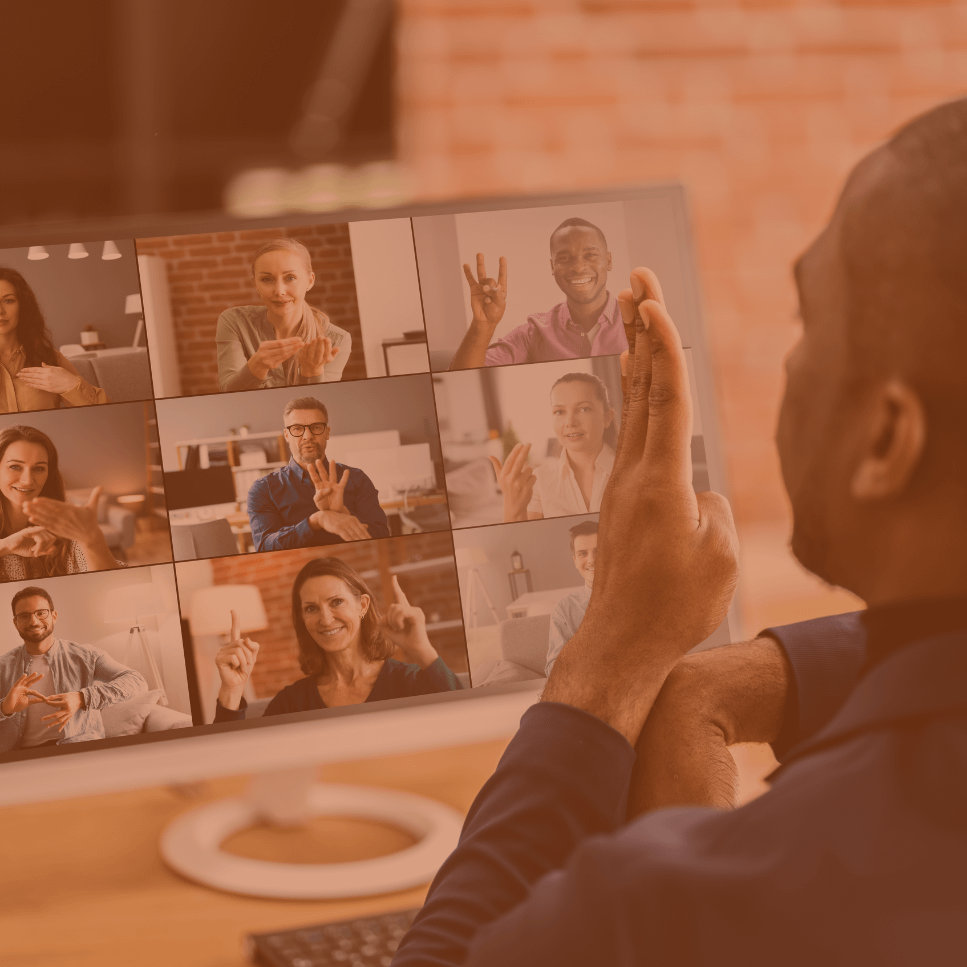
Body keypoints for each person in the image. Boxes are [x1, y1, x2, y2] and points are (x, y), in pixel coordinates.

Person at [394, 99, 967, 965]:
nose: (788, 359)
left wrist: (618, 650)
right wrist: (750, 679)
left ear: (885, 441)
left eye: (809, 323)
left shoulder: (707, 898)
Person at [211, 556, 462, 721]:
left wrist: (422, 650)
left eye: (337, 602)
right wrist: (232, 690)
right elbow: (237, 762)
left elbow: (466, 720)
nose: (326, 619)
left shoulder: (409, 683)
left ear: (362, 605)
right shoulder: (292, 703)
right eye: (311, 608)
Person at [448, 217, 628, 371]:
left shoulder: (641, 320)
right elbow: (463, 379)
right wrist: (482, 326)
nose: (579, 268)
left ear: (608, 261)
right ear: (552, 267)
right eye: (564, 258)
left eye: (590, 255)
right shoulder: (534, 334)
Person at [0, 585, 147, 751]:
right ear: (15, 622)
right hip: (23, 756)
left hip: (81, 749)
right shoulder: (3, 666)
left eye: (41, 613)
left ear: (54, 616)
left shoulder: (86, 655)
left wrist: (82, 698)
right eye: (24, 616)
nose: (33, 621)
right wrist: (4, 708)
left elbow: (137, 681)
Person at [246, 396, 391, 551]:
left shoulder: (356, 478)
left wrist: (343, 513)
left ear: (327, 432)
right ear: (287, 435)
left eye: (316, 427)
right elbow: (264, 547)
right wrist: (315, 521)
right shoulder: (263, 489)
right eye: (297, 429)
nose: (308, 436)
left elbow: (382, 535)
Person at [216, 237, 351, 392]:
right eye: (267, 279)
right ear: (255, 285)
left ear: (310, 281)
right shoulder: (234, 321)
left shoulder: (337, 339)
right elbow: (228, 393)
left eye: (290, 278)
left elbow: (317, 406)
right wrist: (258, 364)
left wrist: (312, 373)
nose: (279, 291)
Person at [0, 425, 122, 582]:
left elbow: (113, 582)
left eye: (39, 468)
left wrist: (93, 541)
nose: (27, 480)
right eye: (15, 466)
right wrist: (5, 546)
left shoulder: (64, 534)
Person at [488, 372, 616, 522]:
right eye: (559, 412)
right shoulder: (539, 481)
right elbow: (524, 542)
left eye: (583, 409)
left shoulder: (636, 471)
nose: (569, 422)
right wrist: (512, 504)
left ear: (607, 417)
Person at [0, 267, 109, 413]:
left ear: (22, 306)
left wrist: (71, 384)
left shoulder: (51, 359)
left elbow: (102, 412)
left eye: (8, 300)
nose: (0, 310)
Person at [544, 519, 596, 677]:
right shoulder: (564, 609)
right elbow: (552, 669)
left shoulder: (636, 600)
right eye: (582, 554)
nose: (591, 560)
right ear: (575, 560)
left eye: (599, 551)